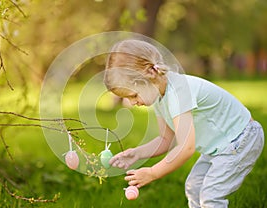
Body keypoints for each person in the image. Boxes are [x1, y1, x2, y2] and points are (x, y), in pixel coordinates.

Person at [103, 39, 265, 207]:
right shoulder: (159, 95)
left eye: (133, 95)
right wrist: (137, 153)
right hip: (220, 147)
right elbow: (166, 140)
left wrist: (152, 173)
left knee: (211, 195)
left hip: (240, 140)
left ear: (149, 75)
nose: (132, 103)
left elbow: (186, 148)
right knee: (194, 187)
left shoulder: (179, 92)